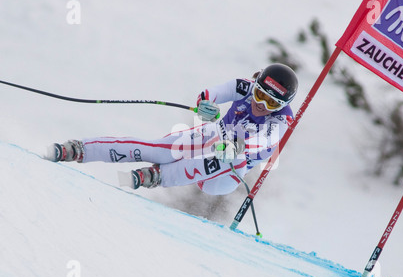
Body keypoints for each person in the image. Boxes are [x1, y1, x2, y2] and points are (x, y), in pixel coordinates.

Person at [47, 63, 298, 196]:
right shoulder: (244, 86)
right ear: (255, 85)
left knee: (233, 157)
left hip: (226, 176)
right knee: (157, 149)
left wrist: (237, 146)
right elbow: (212, 92)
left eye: (273, 102)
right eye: (259, 95)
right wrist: (205, 103)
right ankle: (79, 149)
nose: (262, 104)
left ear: (283, 105)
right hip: (214, 138)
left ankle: (160, 177)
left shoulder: (282, 120)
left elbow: (265, 141)